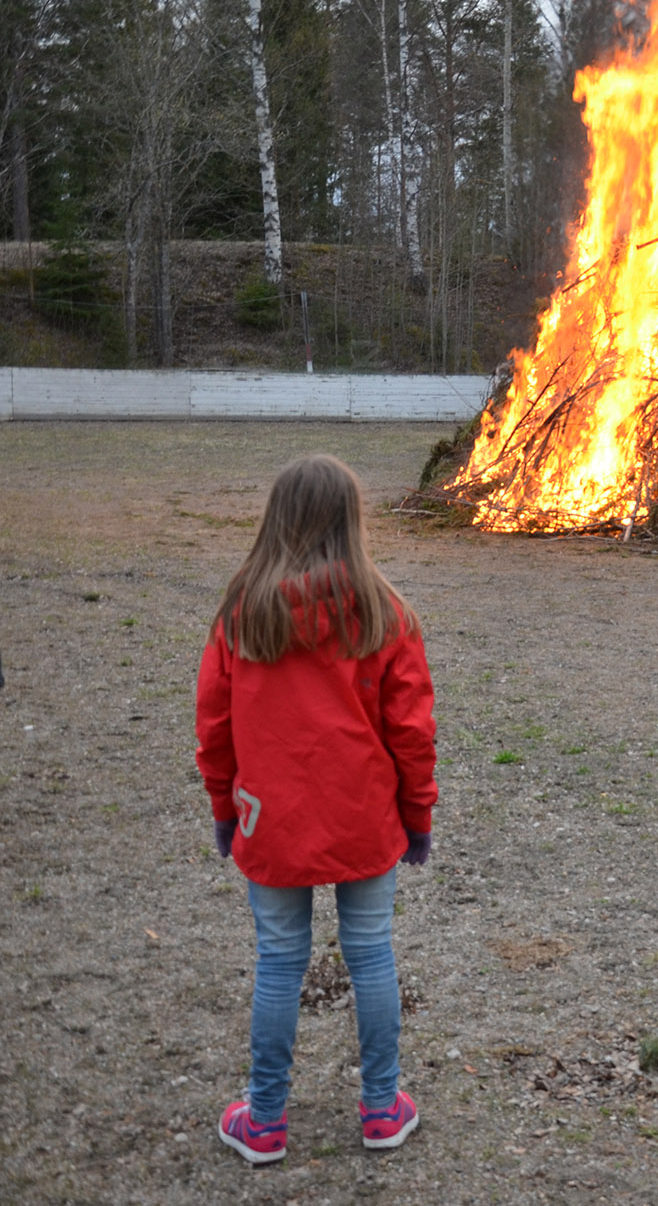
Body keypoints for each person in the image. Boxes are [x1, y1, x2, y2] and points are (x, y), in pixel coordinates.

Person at [197, 454, 438, 1164]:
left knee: (279, 961)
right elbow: (413, 731)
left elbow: (213, 724)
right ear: (351, 522)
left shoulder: (241, 614)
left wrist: (223, 806)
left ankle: (264, 1119)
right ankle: (381, 1107)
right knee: (370, 956)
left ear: (277, 520)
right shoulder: (386, 613)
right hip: (364, 817)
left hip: (269, 819)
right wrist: (417, 816)